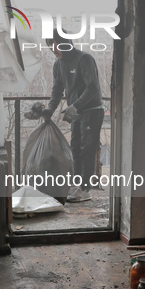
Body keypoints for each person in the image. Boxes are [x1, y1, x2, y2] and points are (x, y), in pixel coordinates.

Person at [41, 29, 105, 202]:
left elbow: (92, 88)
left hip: (92, 110)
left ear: (63, 43)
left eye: (54, 45)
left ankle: (85, 189)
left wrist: (75, 105)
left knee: (87, 149)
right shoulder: (58, 64)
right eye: (49, 46)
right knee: (75, 148)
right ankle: (77, 185)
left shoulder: (84, 59)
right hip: (76, 112)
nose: (52, 50)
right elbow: (57, 89)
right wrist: (50, 109)